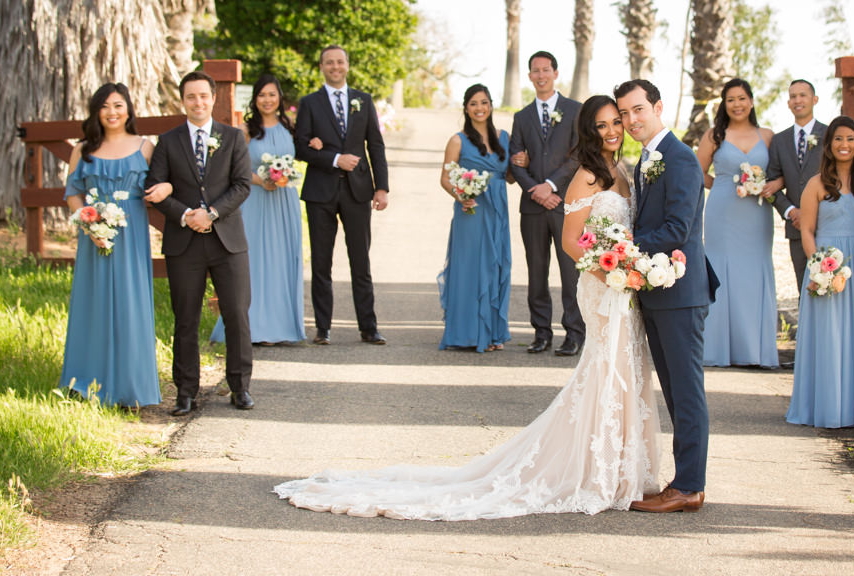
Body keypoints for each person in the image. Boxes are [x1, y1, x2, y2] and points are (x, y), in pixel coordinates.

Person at [273, 94, 662, 519]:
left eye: (616, 123)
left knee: (626, 371)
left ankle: (623, 469)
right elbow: (571, 242)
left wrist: (630, 271)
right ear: (589, 130)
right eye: (602, 125)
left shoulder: (623, 170)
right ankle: (598, 472)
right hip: (604, 287)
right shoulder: (586, 176)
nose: (611, 132)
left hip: (625, 287)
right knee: (608, 369)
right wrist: (613, 276)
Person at [616, 79, 719, 513]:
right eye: (624, 114)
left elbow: (678, 229)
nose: (631, 120)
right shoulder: (646, 159)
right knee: (675, 391)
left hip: (680, 292)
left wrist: (626, 245)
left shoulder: (679, 159)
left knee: (686, 391)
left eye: (638, 109)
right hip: (657, 291)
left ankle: (690, 486)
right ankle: (682, 482)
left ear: (658, 107)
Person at [145, 71, 254, 415]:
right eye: (191, 97)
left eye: (203, 96)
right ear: (183, 101)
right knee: (186, 318)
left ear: (213, 97)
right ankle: (186, 392)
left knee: (236, 314)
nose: (198, 102)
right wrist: (186, 214)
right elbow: (155, 187)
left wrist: (212, 213)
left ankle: (240, 387)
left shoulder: (233, 137)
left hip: (227, 241)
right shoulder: (168, 141)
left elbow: (241, 186)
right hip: (184, 243)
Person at [60, 83, 161, 408]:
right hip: (94, 236)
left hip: (131, 235)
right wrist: (86, 221)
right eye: (104, 106)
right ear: (96, 112)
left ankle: (132, 387)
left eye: (118, 105)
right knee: (93, 303)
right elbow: (72, 191)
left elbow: (162, 184)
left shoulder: (146, 146)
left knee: (131, 303)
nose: (112, 112)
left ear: (129, 109)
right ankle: (86, 384)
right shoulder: (83, 149)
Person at [785, 116, 854, 428]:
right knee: (828, 334)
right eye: (838, 139)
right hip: (825, 263)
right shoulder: (815, 185)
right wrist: (820, 269)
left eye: (851, 140)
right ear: (829, 145)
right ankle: (826, 407)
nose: (845, 145)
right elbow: (808, 231)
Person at [293, 45, 389, 346]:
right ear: (321, 66)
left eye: (340, 62)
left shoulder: (363, 100)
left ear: (347, 65)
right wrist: (334, 159)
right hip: (320, 192)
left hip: (358, 191)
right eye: (329, 62)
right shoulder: (309, 103)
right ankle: (323, 328)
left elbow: (375, 146)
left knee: (360, 261)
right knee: (321, 262)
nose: (335, 67)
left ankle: (368, 327)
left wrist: (381, 187)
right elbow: (300, 147)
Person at [211, 74, 306, 346]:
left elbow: (298, 157)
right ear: (255, 99)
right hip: (255, 199)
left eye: (272, 94)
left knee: (283, 258)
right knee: (254, 259)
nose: (267, 100)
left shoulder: (289, 127)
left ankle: (284, 325)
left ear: (280, 98)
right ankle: (253, 326)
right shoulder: (245, 130)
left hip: (284, 201)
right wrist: (262, 180)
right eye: (262, 95)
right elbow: (234, 168)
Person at [695, 78, 778, 368]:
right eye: (731, 99)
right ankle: (719, 348)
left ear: (751, 101)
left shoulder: (767, 136)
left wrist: (766, 185)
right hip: (722, 213)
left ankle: (754, 350)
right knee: (721, 269)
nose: (737, 104)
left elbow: (780, 174)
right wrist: (722, 184)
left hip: (756, 214)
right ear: (724, 104)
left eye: (742, 98)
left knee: (754, 270)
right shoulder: (715, 135)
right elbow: (697, 171)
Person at [508, 51, 584, 356]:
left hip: (565, 204)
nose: (541, 75)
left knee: (570, 272)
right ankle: (541, 333)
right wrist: (536, 190)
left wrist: (551, 186)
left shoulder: (575, 110)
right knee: (536, 272)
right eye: (535, 71)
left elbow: (579, 155)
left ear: (555, 73)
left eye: (546, 70)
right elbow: (515, 161)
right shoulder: (521, 117)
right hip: (533, 208)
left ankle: (575, 333)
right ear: (529, 76)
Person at [437, 84, 519, 352]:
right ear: (466, 108)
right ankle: (468, 334)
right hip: (470, 212)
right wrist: (460, 195)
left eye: (484, 102)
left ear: (491, 105)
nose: (479, 108)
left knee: (496, 266)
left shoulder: (504, 138)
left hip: (498, 211)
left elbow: (508, 176)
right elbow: (445, 179)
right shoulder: (457, 140)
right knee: (470, 268)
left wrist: (522, 164)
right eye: (473, 103)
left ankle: (493, 334)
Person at [765, 79, 827, 293]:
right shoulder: (779, 140)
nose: (797, 100)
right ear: (788, 103)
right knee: (805, 289)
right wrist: (791, 211)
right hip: (796, 228)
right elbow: (770, 184)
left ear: (814, 99)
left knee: (830, 284)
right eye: (793, 96)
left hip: (826, 224)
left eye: (803, 95)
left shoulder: (829, 135)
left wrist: (813, 213)